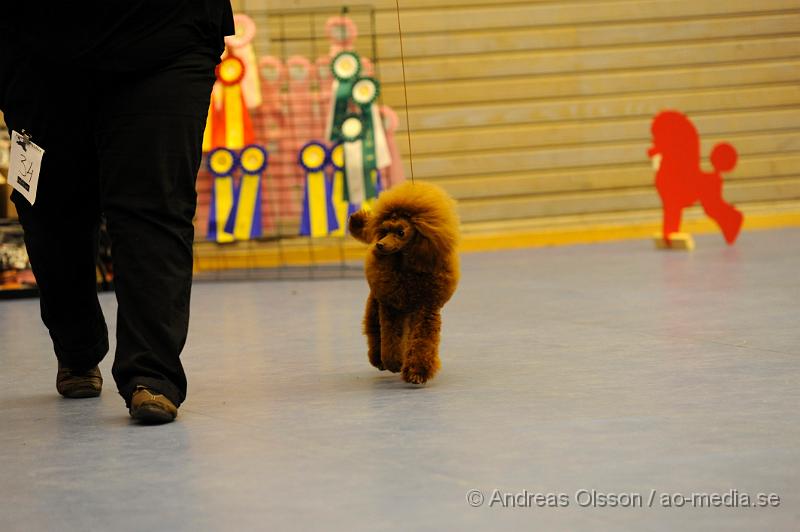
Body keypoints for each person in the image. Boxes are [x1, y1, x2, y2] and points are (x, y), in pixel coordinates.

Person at [0, 2, 234, 423]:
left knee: (155, 206)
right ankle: (77, 348)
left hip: (167, 35)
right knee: (48, 212)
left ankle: (153, 375)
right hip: (36, 50)